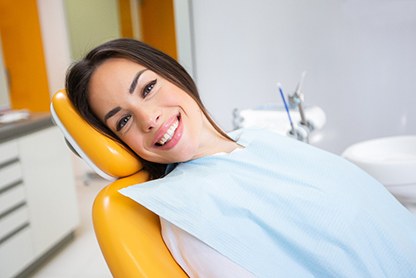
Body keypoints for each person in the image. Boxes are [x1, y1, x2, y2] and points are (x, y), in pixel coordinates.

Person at [66, 38, 416, 277]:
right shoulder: (190, 212)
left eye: (147, 88)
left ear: (173, 72)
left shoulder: (255, 140)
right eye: (123, 120)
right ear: (118, 142)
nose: (149, 118)